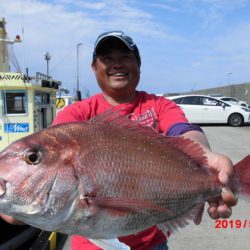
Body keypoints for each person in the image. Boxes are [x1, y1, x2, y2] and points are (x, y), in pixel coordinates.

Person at [0, 31, 237, 250]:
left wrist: (206, 158)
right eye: (107, 58)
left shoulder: (160, 106)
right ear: (94, 68)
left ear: (138, 65)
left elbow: (183, 130)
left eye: (125, 56)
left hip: (152, 244)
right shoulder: (77, 115)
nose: (117, 64)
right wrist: (18, 202)